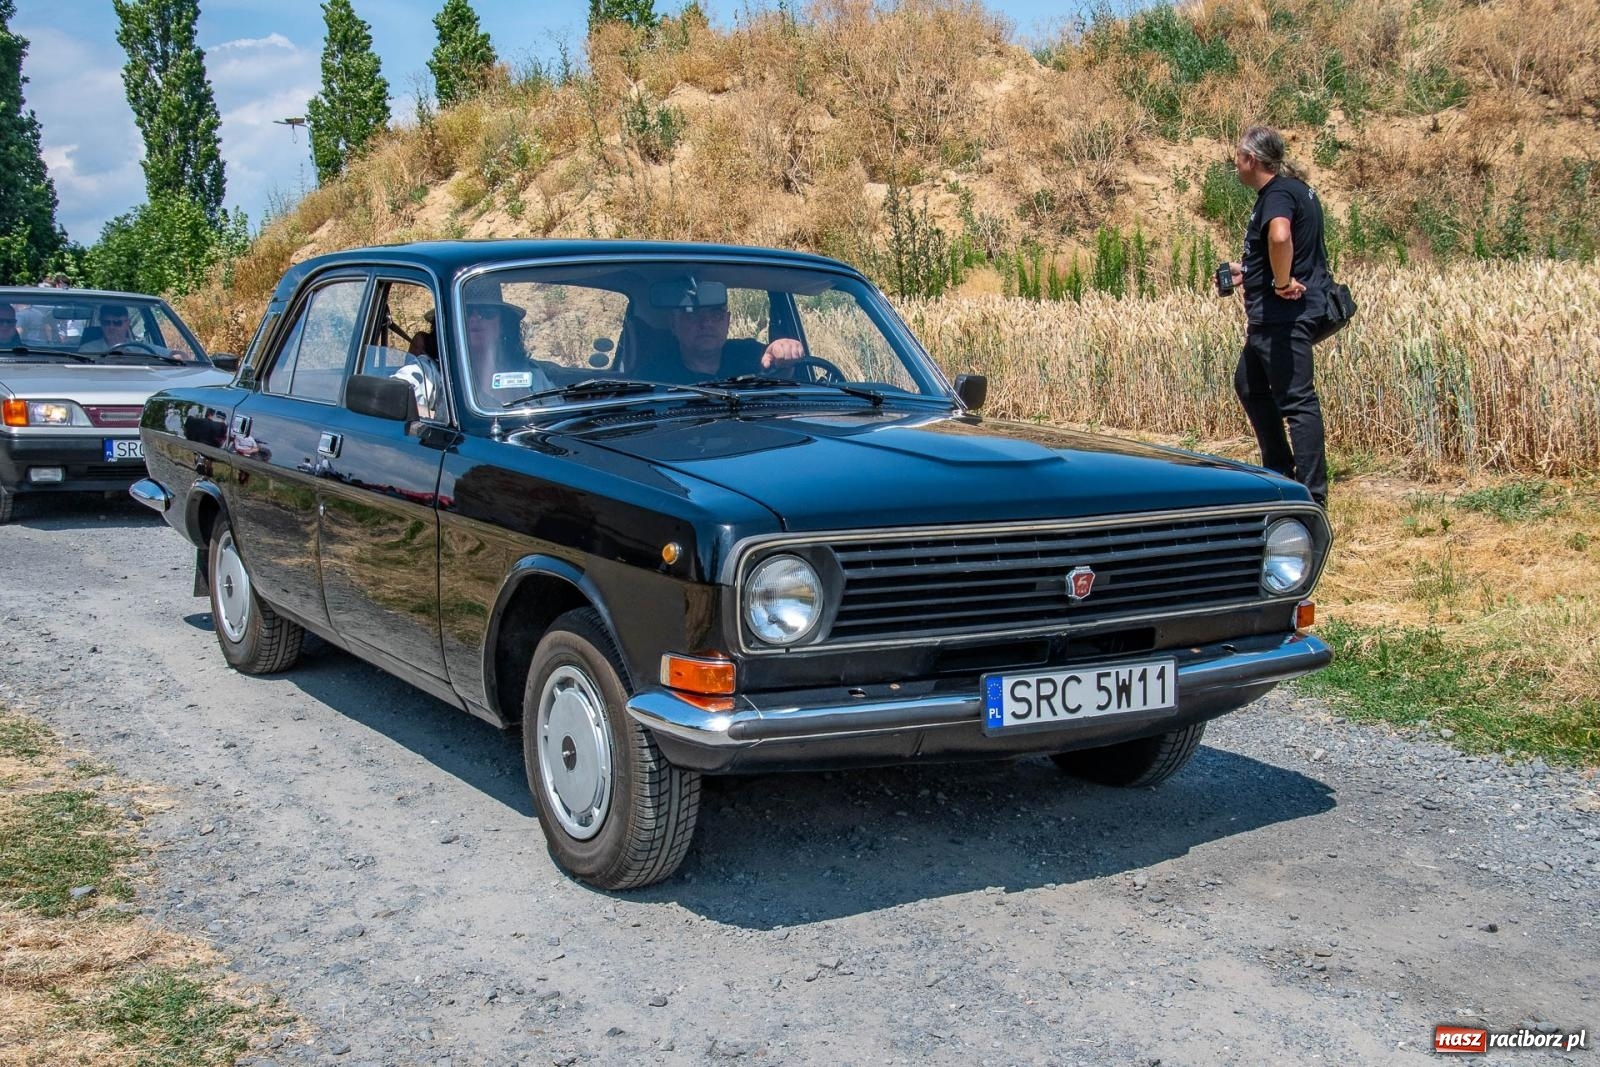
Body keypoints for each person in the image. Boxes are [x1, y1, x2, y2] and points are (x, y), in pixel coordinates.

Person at [1224, 124, 1332, 508]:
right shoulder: (1296, 189)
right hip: (1276, 316)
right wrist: (1248, 271)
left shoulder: (1277, 194)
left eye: (1238, 156)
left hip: (1283, 315)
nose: (1234, 163)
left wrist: (1282, 282)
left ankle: (1311, 496)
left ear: (1251, 160)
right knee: (1249, 384)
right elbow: (1287, 245)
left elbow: (1281, 237)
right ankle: (1280, 472)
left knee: (1297, 402)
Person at [635, 301, 805, 385]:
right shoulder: (652, 377)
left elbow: (780, 377)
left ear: (728, 321)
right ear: (673, 323)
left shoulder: (750, 354)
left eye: (716, 314)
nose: (706, 323)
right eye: (692, 314)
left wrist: (784, 351)